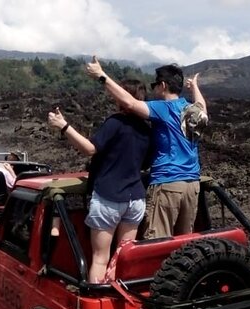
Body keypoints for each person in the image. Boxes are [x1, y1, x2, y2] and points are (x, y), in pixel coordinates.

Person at [85, 56, 207, 239]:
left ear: (163, 85)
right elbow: (202, 108)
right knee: (184, 242)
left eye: (154, 85)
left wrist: (101, 76)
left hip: (168, 182)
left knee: (157, 243)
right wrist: (194, 87)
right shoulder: (191, 110)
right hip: (192, 184)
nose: (153, 89)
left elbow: (130, 103)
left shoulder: (163, 108)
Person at [47, 79, 152, 283]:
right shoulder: (147, 129)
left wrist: (64, 126)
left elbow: (89, 149)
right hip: (136, 199)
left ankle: (98, 301)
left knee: (100, 259)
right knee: (122, 258)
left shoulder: (115, 123)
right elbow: (146, 163)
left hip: (109, 197)